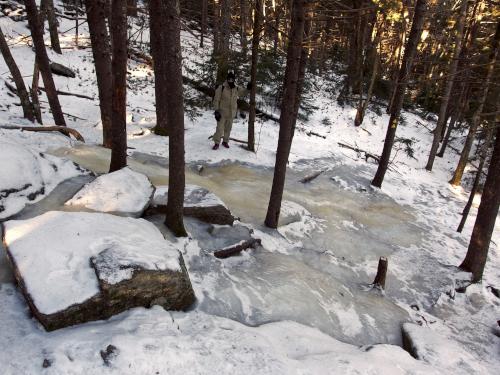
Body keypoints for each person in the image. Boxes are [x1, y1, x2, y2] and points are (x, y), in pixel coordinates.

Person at [212, 71, 252, 150]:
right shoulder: (221, 87)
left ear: (234, 79)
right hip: (222, 112)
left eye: (232, 79)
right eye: (229, 79)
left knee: (228, 128)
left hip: (231, 113)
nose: (230, 80)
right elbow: (216, 99)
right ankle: (217, 142)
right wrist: (216, 111)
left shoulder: (236, 88)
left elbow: (243, 93)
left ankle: (225, 141)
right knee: (219, 129)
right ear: (227, 79)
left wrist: (248, 89)